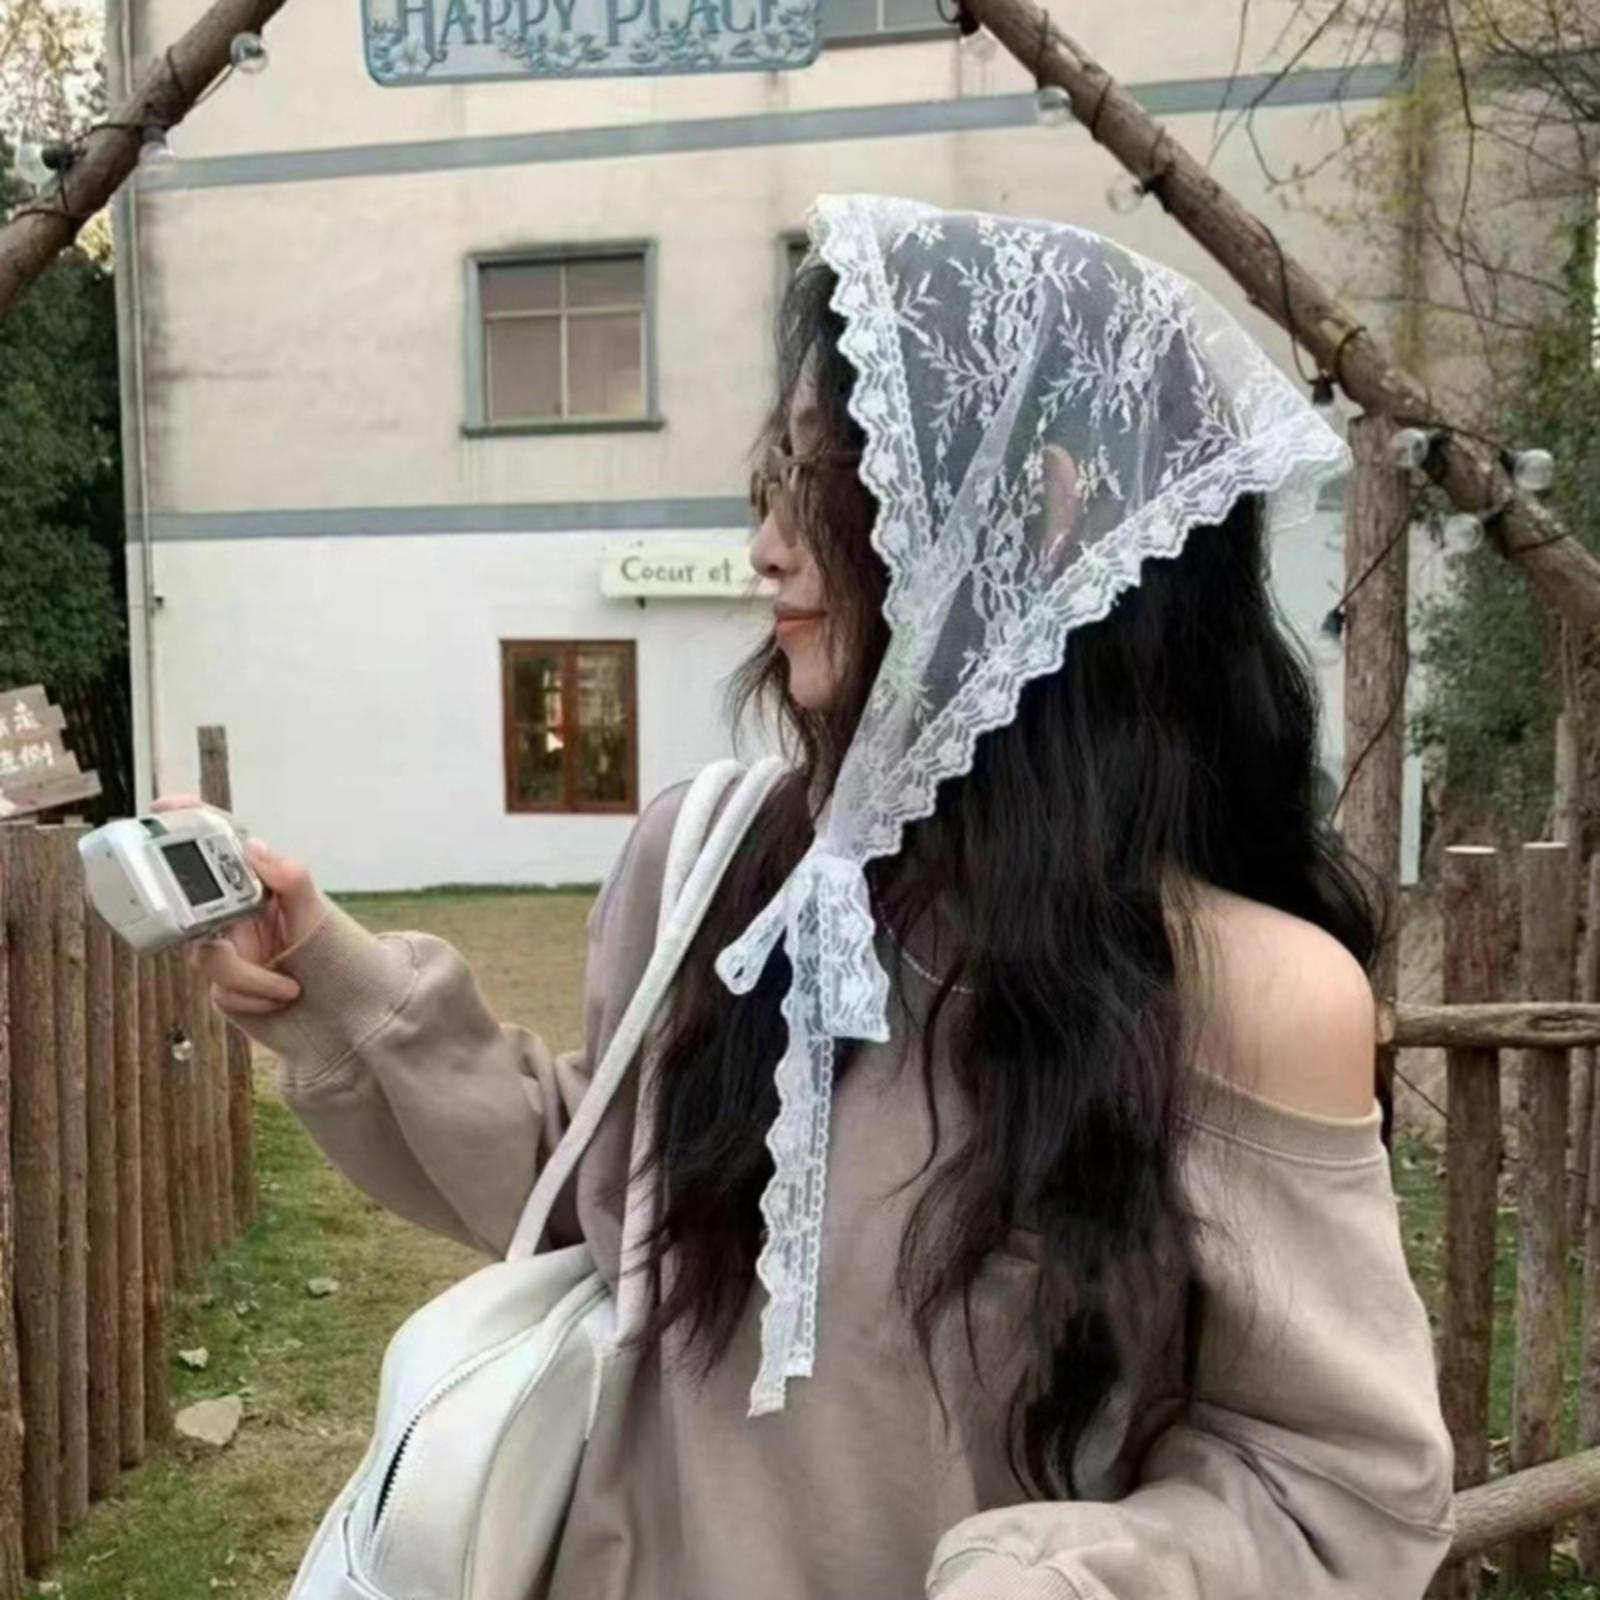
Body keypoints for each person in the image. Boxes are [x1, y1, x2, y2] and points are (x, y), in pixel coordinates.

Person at [169, 196, 1455, 1599]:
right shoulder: (714, 861)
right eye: (771, 480)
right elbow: (603, 1204)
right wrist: (334, 981)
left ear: (1044, 506)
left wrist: (1073, 1577)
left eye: (834, 477)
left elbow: (1334, 1494)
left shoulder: (1247, 995)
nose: (768, 548)